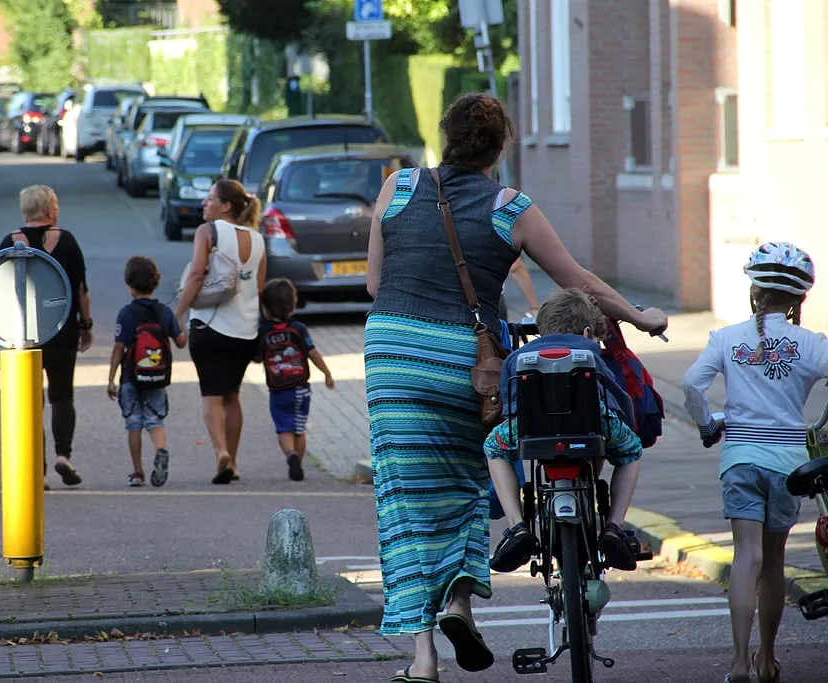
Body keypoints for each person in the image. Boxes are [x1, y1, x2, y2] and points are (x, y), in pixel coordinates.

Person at [364, 92, 667, 682]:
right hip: (463, 360)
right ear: (500, 147)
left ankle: (422, 659)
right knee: (472, 484)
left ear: (445, 135)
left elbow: (375, 283)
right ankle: (458, 603)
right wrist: (639, 315)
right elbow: (576, 279)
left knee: (403, 503)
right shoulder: (512, 207)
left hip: (392, 356)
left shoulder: (397, 187)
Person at [682, 242, 826, 683]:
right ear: (801, 299)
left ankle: (739, 662)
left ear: (754, 291)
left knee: (745, 558)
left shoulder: (726, 338)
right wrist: (821, 425)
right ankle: (767, 658)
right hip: (789, 464)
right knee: (774, 561)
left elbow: (691, 384)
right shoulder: (812, 344)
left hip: (740, 458)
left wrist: (708, 424)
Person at [484, 288, 643, 573]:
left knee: (493, 448)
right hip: (594, 426)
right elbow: (617, 397)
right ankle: (614, 526)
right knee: (632, 452)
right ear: (586, 330)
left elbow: (509, 404)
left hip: (529, 429)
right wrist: (628, 424)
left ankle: (516, 526)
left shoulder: (517, 358)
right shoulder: (590, 353)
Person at [0, 185, 93, 488]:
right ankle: (63, 455)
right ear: (50, 210)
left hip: (22, 332)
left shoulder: (10, 241)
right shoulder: (66, 241)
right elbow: (80, 289)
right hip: (61, 329)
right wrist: (86, 324)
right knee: (62, 394)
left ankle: (36, 470)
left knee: (30, 400)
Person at [172, 179, 266, 485]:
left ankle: (220, 452)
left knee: (211, 395)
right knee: (232, 396)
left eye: (210, 198)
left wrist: (178, 311)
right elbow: (258, 289)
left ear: (225, 205)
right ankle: (234, 463)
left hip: (210, 326)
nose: (204, 203)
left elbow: (198, 273)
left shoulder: (207, 231)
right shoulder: (258, 238)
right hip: (245, 330)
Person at [107, 256, 187, 488]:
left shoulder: (126, 314)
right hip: (157, 378)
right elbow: (181, 342)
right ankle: (161, 450)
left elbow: (118, 348)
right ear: (156, 283)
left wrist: (111, 379)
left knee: (133, 424)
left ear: (130, 286)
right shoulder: (164, 312)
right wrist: (180, 322)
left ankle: (137, 472)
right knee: (155, 420)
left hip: (132, 377)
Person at [258, 278, 335, 482]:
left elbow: (257, 357)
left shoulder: (263, 331)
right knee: (299, 429)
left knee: (284, 427)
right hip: (301, 388)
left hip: (277, 389)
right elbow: (313, 353)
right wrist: (327, 373)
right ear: (293, 304)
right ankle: (298, 464)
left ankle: (290, 454)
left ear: (265, 307)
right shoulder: (298, 329)